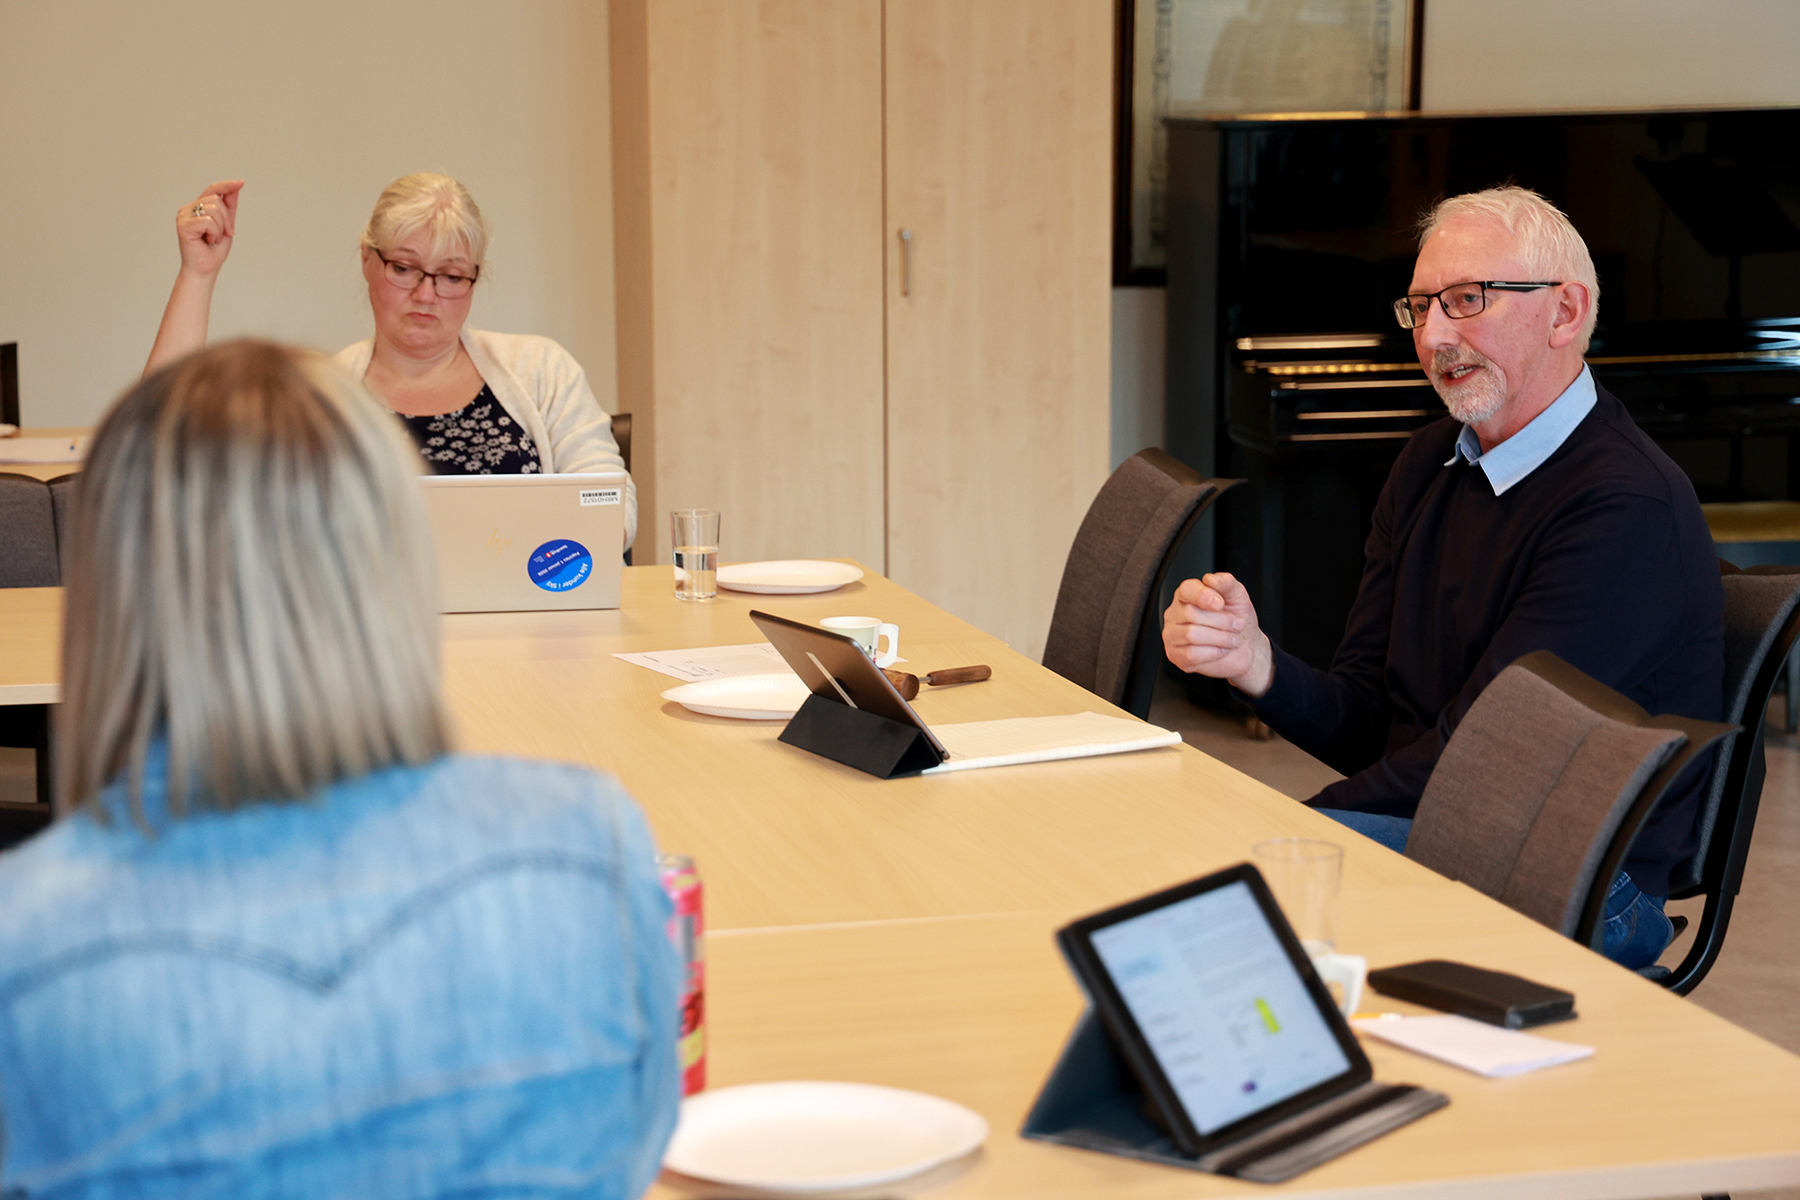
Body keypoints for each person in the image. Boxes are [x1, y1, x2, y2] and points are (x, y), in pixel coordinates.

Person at [0, 342, 679, 1195]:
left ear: (111, 585)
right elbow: (637, 1143)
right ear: (393, 555)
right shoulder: (593, 845)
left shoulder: (25, 944)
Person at [1162, 186, 1723, 969]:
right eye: (1421, 307)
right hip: (1456, 823)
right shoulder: (1431, 461)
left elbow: (1488, 768)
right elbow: (1372, 724)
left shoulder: (1623, 507)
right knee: (1194, 871)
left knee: (1223, 895)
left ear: (1566, 312)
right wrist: (1258, 667)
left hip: (1583, 879)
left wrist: (1295, 833)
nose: (1432, 336)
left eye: (1466, 301)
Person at [145, 174, 637, 548]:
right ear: (367, 260)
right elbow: (162, 445)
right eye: (404, 268)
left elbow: (614, 512)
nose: (426, 294)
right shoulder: (314, 396)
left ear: (474, 279)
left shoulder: (541, 370)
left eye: (451, 276)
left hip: (528, 638)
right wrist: (198, 274)